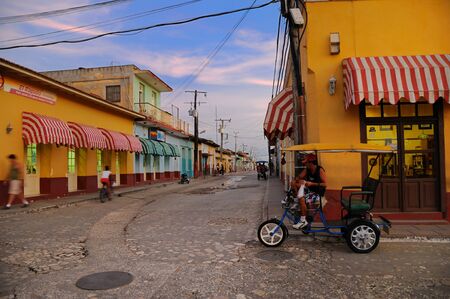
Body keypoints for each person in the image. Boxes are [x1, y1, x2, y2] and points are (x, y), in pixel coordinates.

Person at [291, 153, 327, 229]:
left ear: (311, 163)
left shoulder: (319, 170)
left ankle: (303, 220)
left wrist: (312, 184)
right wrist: (298, 179)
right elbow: (299, 176)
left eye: (306, 163)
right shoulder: (307, 169)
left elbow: (325, 184)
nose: (305, 165)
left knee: (301, 198)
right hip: (310, 191)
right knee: (293, 183)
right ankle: (296, 200)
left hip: (318, 194)